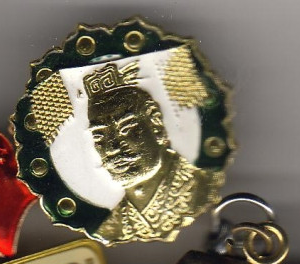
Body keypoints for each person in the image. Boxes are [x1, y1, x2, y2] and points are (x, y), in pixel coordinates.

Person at [84, 63, 219, 243]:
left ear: (156, 125)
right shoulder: (109, 226)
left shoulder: (202, 188)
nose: (111, 148)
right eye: (99, 136)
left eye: (126, 129)